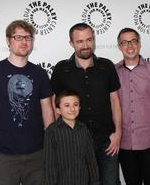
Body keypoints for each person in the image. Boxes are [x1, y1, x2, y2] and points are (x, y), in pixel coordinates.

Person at [0, 20, 55, 185]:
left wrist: (50, 150)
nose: (24, 42)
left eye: (28, 37)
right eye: (18, 37)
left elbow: (48, 111)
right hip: (4, 157)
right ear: (8, 40)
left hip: (38, 156)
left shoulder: (40, 74)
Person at [50, 23, 122, 185]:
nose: (85, 45)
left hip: (107, 141)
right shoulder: (62, 69)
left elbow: (115, 101)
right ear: (71, 43)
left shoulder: (107, 66)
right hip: (74, 142)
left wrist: (118, 133)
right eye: (80, 41)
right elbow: (56, 107)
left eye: (89, 40)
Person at [115, 28, 150, 185]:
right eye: (124, 42)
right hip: (124, 141)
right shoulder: (113, 72)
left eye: (133, 41)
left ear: (139, 44)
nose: (129, 46)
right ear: (119, 46)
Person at [44, 89, 100, 185]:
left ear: (80, 107)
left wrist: (95, 182)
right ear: (58, 110)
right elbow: (49, 165)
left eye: (75, 105)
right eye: (67, 106)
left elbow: (91, 160)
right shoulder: (52, 131)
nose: (72, 109)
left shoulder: (83, 129)